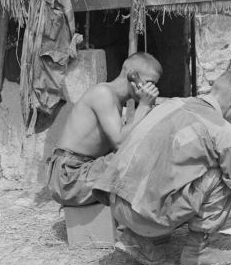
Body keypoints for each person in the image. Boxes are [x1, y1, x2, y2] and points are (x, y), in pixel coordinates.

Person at [92, 70, 231, 265]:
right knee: (225, 172)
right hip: (147, 219)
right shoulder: (227, 135)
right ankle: (198, 254)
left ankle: (134, 238)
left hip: (116, 205)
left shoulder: (169, 104)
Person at [46, 52, 161, 207]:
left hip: (83, 171)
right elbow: (120, 143)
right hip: (69, 177)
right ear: (131, 76)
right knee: (134, 158)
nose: (151, 89)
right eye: (148, 83)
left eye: (154, 85)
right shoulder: (103, 94)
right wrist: (144, 106)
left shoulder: (116, 101)